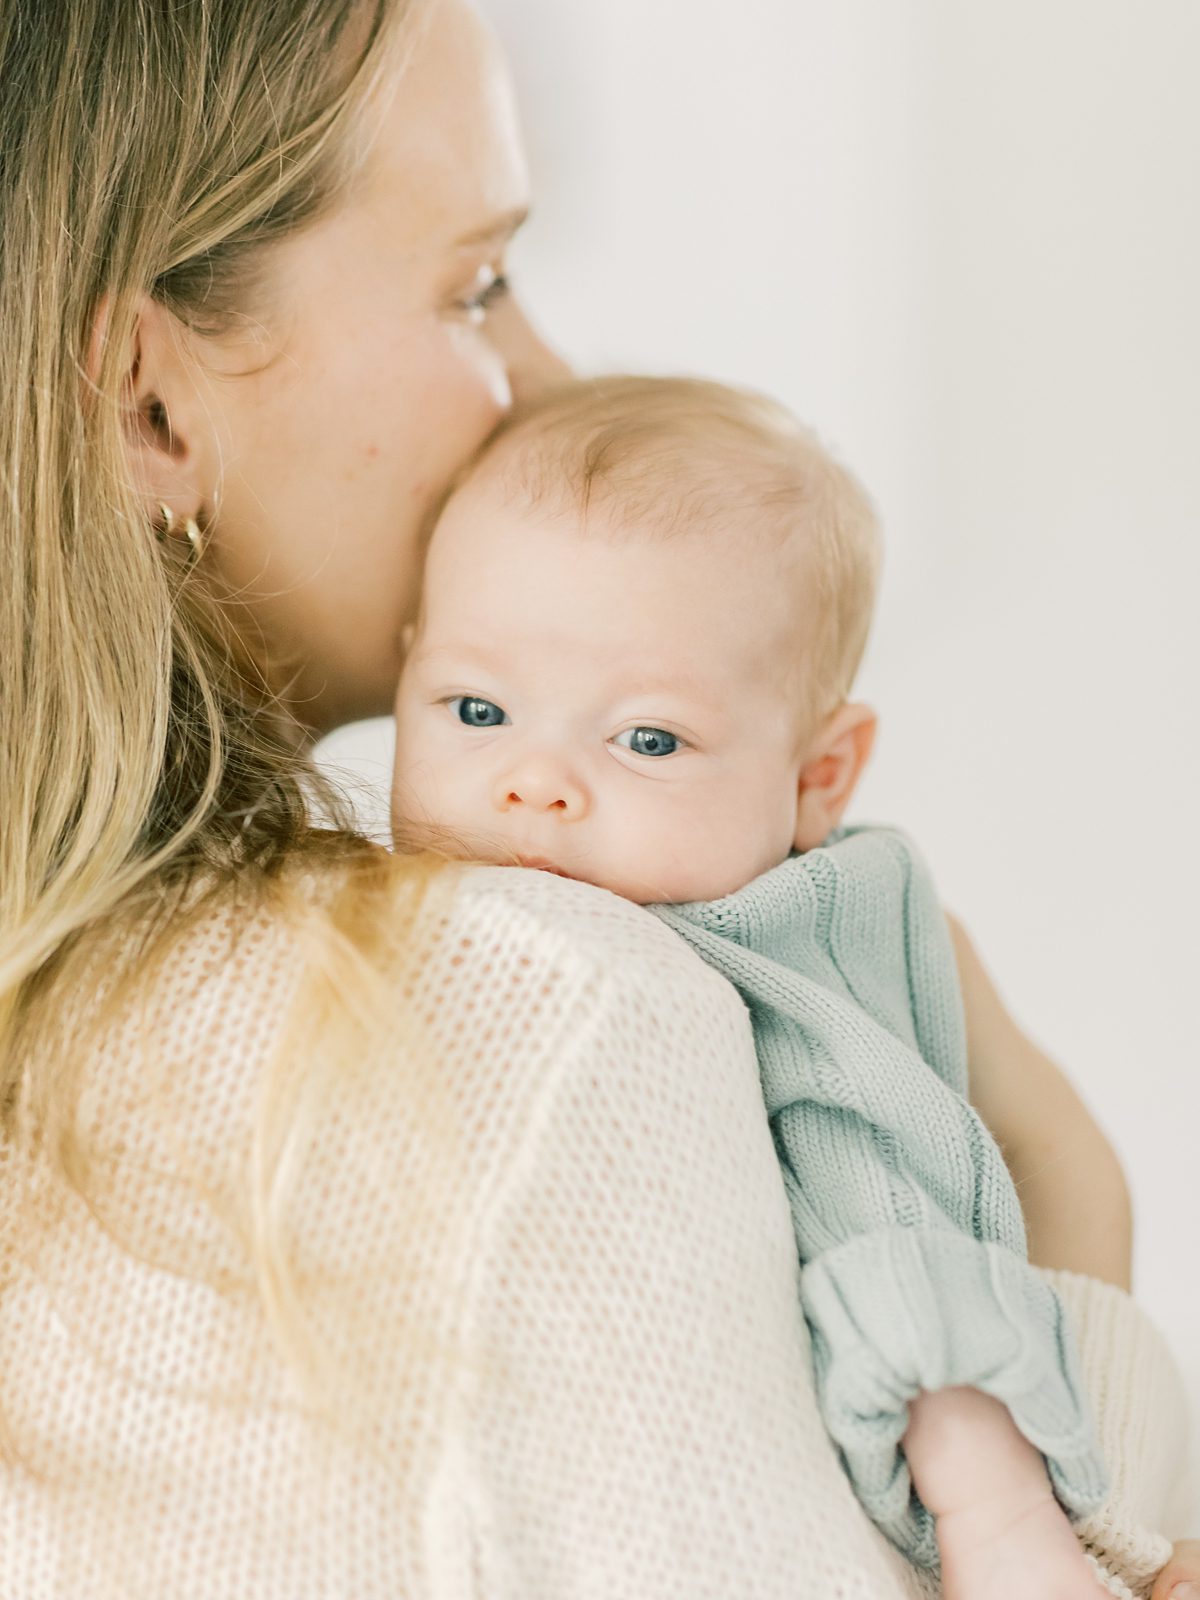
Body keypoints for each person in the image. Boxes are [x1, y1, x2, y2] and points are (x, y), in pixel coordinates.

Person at [0, 0, 1194, 1595]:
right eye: (476, 285)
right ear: (154, 406)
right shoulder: (545, 1018)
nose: (550, 378)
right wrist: (1075, 1236)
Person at [387, 373, 1183, 1598]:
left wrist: (1044, 1496)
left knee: (896, 1245)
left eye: (647, 739)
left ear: (819, 776)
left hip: (949, 1394)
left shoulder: (806, 927)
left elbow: (987, 1179)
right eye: (475, 709)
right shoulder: (404, 915)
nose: (533, 782)